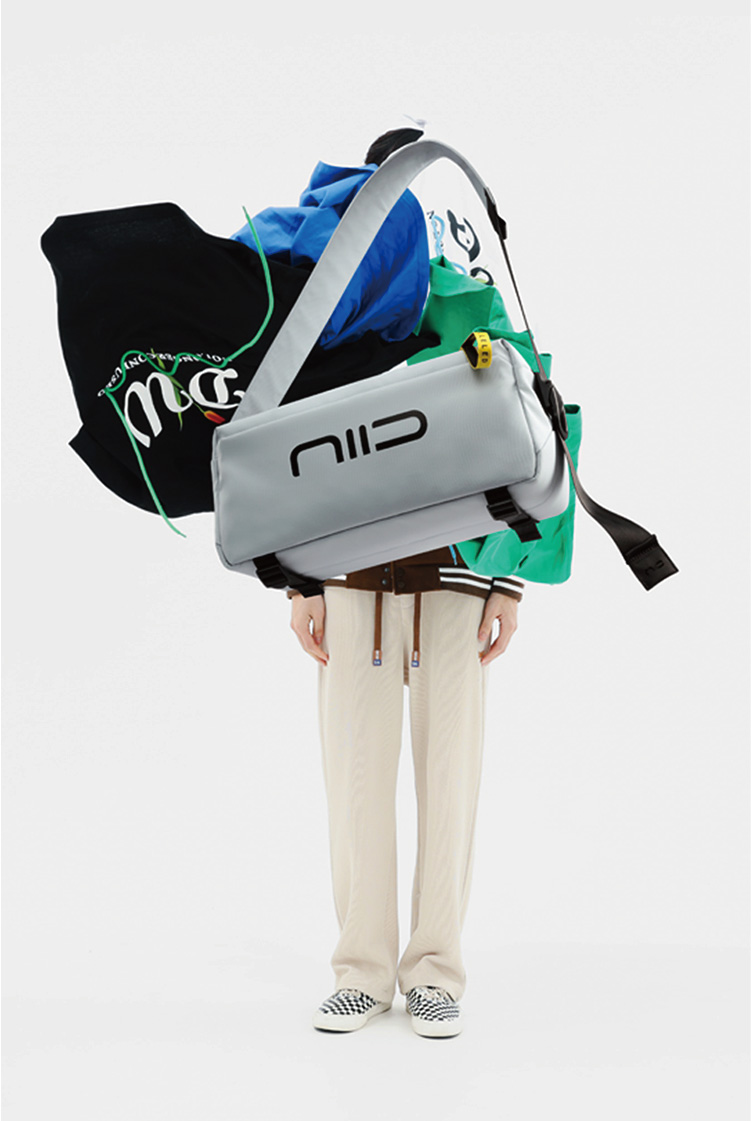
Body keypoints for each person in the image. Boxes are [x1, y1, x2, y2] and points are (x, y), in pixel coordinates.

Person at [286, 129, 526, 1039]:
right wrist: (297, 583)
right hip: (349, 576)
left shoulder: (479, 296)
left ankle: (434, 971)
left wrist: (511, 585)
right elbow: (293, 444)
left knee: (449, 775)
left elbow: (527, 429)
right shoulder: (333, 302)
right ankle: (360, 968)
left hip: (457, 575)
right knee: (353, 774)